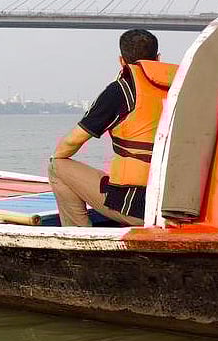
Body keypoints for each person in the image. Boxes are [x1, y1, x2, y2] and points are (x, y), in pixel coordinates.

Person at [48, 29, 178, 227]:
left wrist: (57, 156)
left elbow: (73, 141)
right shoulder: (181, 89)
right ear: (158, 58)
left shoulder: (122, 91)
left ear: (121, 61)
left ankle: (81, 240)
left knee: (57, 167)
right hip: (177, 206)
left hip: (138, 208)